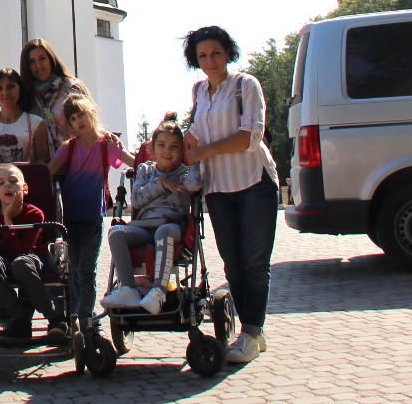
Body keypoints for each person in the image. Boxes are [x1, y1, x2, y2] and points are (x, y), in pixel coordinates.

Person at [181, 25, 278, 365]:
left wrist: (203, 150)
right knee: (233, 265)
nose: (209, 61)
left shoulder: (245, 85)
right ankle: (253, 331)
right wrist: (186, 141)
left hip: (254, 183)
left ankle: (250, 333)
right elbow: (197, 131)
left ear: (228, 53)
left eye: (216, 54)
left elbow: (249, 137)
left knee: (254, 263)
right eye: (202, 55)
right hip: (218, 188)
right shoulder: (199, 91)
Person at [48, 93, 134, 331]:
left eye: (82, 114)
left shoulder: (107, 145)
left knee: (87, 270)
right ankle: (77, 316)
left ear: (92, 113)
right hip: (70, 219)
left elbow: (133, 162)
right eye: (73, 118)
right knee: (73, 270)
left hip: (93, 218)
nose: (79, 121)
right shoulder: (68, 148)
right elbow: (48, 172)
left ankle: (86, 319)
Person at [101, 116, 201, 315]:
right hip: (144, 227)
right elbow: (137, 199)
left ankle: (158, 291)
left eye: (174, 147)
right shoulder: (146, 171)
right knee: (116, 232)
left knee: (163, 231)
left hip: (171, 226)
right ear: (152, 150)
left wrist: (194, 159)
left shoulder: (184, 173)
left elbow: (194, 185)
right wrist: (161, 183)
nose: (167, 151)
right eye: (161, 145)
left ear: (181, 150)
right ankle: (128, 288)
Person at [0, 163, 66, 338]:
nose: (7, 186)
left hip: (31, 258)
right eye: (1, 183)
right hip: (2, 259)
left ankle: (53, 317)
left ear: (24, 188)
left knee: (21, 264)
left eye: (13, 181)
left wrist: (7, 220)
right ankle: (19, 316)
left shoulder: (35, 214)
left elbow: (22, 253)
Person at [18, 39, 91, 159]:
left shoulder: (72, 88)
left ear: (51, 59)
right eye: (32, 61)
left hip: (77, 162)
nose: (38, 65)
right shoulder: (25, 97)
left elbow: (90, 124)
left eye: (42, 58)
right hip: (42, 168)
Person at [0, 68, 47, 167]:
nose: (5, 92)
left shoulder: (36, 123)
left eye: (11, 86)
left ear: (20, 89)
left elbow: (43, 161)